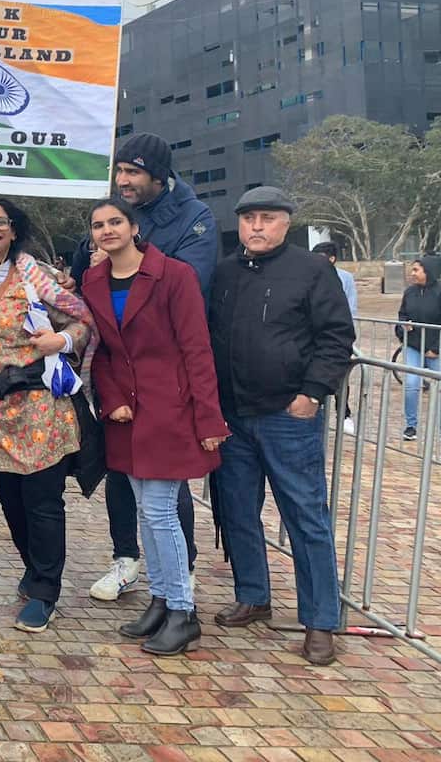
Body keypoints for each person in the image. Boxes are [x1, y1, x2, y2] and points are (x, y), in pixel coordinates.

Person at [208, 186, 355, 666]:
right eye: (249, 218)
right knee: (237, 511)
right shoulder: (226, 271)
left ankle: (320, 620)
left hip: (288, 416)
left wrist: (312, 393)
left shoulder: (312, 270)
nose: (256, 227)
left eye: (267, 218)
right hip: (234, 414)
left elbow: (337, 338)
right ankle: (253, 594)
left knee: (305, 518)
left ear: (285, 223)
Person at [69, 133, 216, 604]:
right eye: (119, 172)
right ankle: (135, 568)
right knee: (129, 485)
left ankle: (178, 591)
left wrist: (207, 415)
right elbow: (94, 323)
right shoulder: (98, 269)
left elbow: (193, 336)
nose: (123, 180)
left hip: (167, 391)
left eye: (132, 172)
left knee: (163, 506)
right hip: (120, 394)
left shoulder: (193, 225)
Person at [80, 198, 227, 656]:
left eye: (115, 222)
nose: (107, 231)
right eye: (98, 225)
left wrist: (208, 416)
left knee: (162, 512)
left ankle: (184, 611)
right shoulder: (93, 280)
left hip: (171, 408)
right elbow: (101, 352)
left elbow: (197, 348)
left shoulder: (174, 275)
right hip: (127, 413)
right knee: (147, 511)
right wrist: (113, 401)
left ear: (134, 227)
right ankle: (162, 601)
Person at [0, 198, 95, 633]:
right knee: (9, 499)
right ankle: (34, 568)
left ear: (14, 231)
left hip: (39, 409)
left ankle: (45, 590)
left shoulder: (39, 278)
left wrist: (63, 342)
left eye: (1, 222)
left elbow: (82, 320)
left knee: (43, 502)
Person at [312, 241, 359, 436]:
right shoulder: (309, 275)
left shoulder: (345, 278)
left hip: (335, 336)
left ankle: (345, 414)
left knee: (340, 378)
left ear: (332, 259)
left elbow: (350, 307)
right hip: (313, 336)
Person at [396, 257, 441, 443]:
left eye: (416, 270)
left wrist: (435, 348)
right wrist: (402, 328)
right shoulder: (409, 292)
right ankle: (411, 425)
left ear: (427, 271)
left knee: (438, 387)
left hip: (435, 348)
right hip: (413, 345)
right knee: (411, 383)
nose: (412, 273)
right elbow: (402, 315)